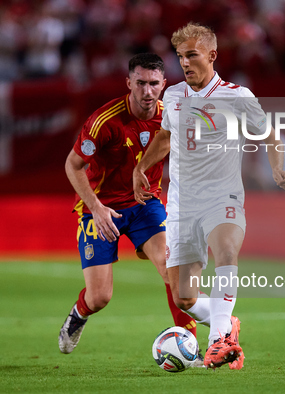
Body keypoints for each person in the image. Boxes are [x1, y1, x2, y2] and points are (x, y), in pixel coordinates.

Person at [133, 23, 285, 370]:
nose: (185, 63)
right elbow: (164, 138)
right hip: (180, 205)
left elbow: (270, 135)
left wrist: (277, 168)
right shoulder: (173, 96)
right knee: (185, 297)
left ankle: (218, 340)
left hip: (222, 196)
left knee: (226, 251)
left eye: (191, 55)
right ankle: (228, 324)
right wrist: (141, 167)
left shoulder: (237, 96)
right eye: (180, 56)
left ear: (212, 55)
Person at [58, 53, 197, 355]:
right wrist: (95, 207)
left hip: (146, 204)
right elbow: (73, 165)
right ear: (129, 83)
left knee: (170, 267)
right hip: (102, 208)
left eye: (154, 84)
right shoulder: (104, 122)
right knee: (100, 298)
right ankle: (79, 314)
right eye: (141, 83)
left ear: (164, 84)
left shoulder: (171, 116)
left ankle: (190, 346)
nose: (148, 91)